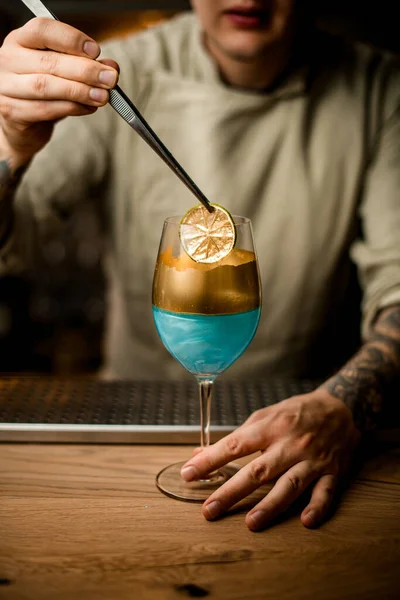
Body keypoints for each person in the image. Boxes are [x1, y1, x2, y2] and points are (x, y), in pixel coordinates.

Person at [0, 0, 399, 531]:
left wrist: (343, 407)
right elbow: (14, 241)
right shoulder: (113, 78)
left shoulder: (381, 87)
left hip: (305, 438)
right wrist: (10, 144)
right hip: (129, 435)